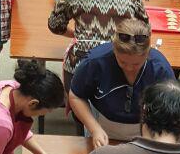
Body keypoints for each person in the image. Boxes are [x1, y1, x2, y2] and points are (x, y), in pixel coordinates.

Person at [69, 17, 174, 146]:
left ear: (147, 54)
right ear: (114, 50)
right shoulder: (94, 62)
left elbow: (171, 107)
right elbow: (76, 96)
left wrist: (155, 136)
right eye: (122, 62)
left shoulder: (160, 69)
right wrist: (94, 129)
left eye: (136, 64)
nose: (129, 68)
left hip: (146, 131)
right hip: (102, 127)